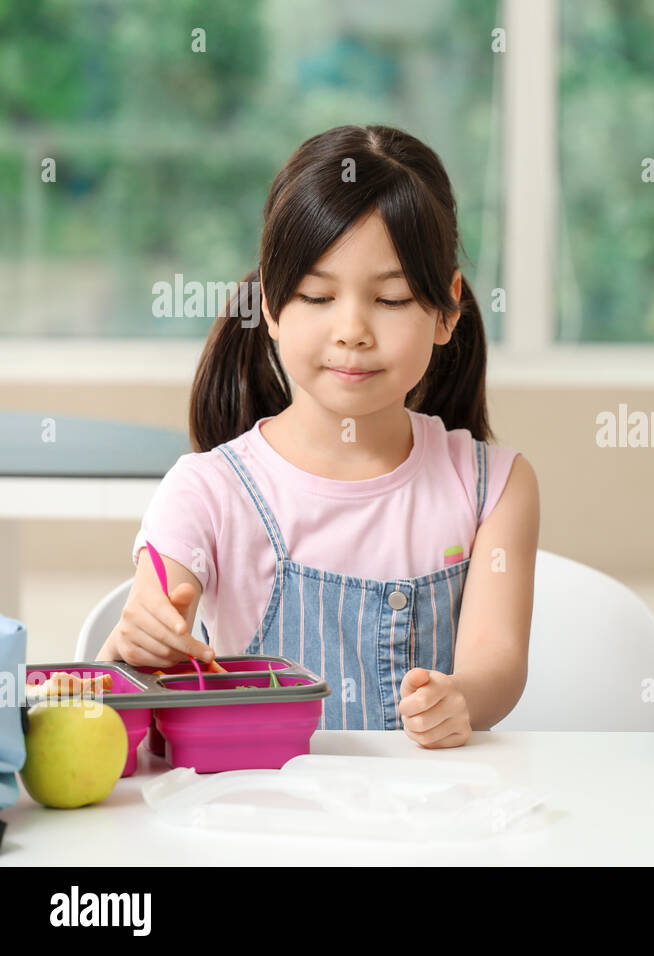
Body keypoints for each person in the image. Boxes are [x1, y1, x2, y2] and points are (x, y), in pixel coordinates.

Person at [100, 125, 540, 749]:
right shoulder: (206, 488)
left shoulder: (495, 485)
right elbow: (155, 614)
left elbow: (498, 660)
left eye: (390, 299)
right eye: (316, 295)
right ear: (273, 308)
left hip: (424, 825)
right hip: (262, 820)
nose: (352, 330)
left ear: (446, 310)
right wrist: (137, 640)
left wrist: (461, 698)